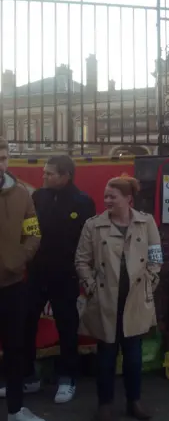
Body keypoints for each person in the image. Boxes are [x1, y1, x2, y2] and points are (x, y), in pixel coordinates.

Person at [5, 156, 96, 404]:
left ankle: (68, 377)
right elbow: (29, 230)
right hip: (35, 274)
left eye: (50, 173)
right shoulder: (38, 198)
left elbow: (87, 242)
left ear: (66, 175)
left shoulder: (84, 202)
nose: (43, 177)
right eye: (44, 173)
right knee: (26, 324)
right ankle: (27, 377)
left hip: (65, 275)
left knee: (67, 325)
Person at [75, 176, 162, 421]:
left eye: (113, 196)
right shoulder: (93, 225)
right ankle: (105, 404)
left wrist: (149, 285)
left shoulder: (146, 223)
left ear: (128, 199)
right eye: (106, 196)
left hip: (135, 298)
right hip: (105, 299)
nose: (107, 201)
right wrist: (91, 287)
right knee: (106, 355)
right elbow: (82, 259)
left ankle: (134, 402)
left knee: (134, 356)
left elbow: (156, 257)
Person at [0, 137, 47, 421]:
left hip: (13, 284)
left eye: (3, 157)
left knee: (15, 348)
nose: (1, 164)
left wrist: (18, 260)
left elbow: (33, 232)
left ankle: (16, 410)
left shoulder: (21, 195)